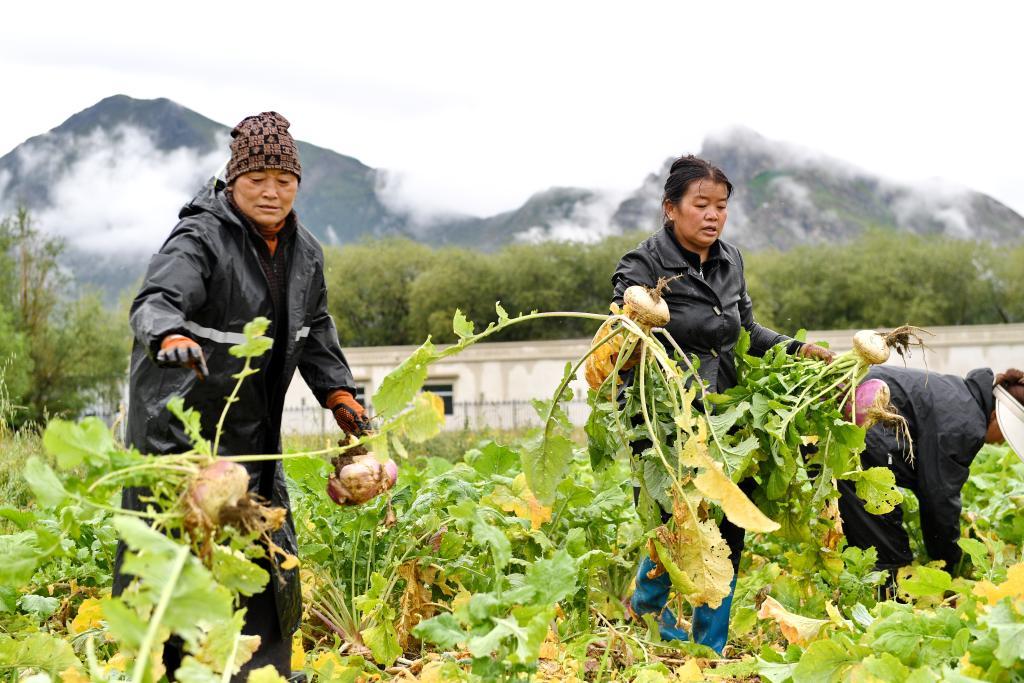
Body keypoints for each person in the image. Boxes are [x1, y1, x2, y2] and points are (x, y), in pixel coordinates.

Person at [114, 112, 371, 680]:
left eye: (284, 179)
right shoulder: (200, 237)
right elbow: (156, 298)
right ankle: (173, 672)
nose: (271, 191)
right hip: (182, 436)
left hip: (254, 434)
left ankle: (262, 673)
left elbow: (315, 329)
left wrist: (339, 394)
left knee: (262, 558)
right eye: (257, 179)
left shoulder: (305, 253)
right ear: (234, 181)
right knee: (180, 563)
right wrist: (168, 333)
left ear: (297, 184)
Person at [607, 155, 833, 653]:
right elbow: (623, 334)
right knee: (675, 519)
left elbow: (746, 330)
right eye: (701, 204)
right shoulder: (641, 265)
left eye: (721, 205)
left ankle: (710, 645)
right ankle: (649, 613)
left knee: (729, 523)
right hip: (664, 415)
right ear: (671, 208)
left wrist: (797, 349)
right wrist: (635, 328)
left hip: (727, 411)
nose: (713, 215)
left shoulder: (731, 260)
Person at [838, 365, 1024, 590]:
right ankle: (881, 599)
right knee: (890, 561)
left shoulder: (962, 397)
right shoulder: (967, 426)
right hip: (860, 430)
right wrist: (950, 564)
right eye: (1005, 433)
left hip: (844, 412)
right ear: (996, 417)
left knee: (858, 530)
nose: (1003, 442)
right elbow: (938, 499)